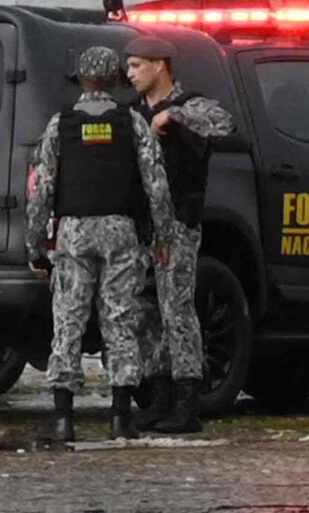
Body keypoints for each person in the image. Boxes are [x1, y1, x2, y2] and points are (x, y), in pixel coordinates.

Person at [27, 45, 157, 441]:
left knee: (68, 320)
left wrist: (35, 245)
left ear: (81, 80)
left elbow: (41, 190)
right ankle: (120, 416)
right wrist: (161, 233)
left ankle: (64, 418)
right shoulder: (132, 123)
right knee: (120, 319)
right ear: (116, 79)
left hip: (75, 232)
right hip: (121, 231)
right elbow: (156, 185)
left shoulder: (60, 124)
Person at [127, 49, 239, 435]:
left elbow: (224, 123)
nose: (130, 74)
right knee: (145, 315)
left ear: (160, 65)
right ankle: (159, 397)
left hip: (176, 225)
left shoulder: (190, 104)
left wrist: (175, 116)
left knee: (177, 310)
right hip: (139, 227)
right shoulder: (133, 112)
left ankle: (188, 400)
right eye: (128, 66)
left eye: (137, 65)